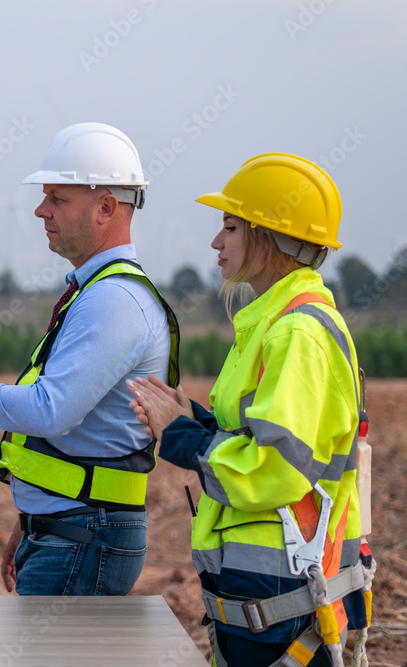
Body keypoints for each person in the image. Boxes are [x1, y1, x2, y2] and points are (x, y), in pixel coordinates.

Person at [0, 122, 180, 596]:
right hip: (71, 528)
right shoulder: (98, 293)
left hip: (82, 536)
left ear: (106, 208)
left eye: (57, 198)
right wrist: (34, 518)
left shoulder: (113, 300)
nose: (40, 210)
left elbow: (50, 411)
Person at [127, 153, 372, 666]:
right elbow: (253, 431)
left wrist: (181, 436)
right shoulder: (274, 323)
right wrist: (194, 419)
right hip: (269, 592)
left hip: (282, 594)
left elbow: (275, 466)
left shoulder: (296, 333)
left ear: (270, 237)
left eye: (231, 227)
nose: (216, 242)